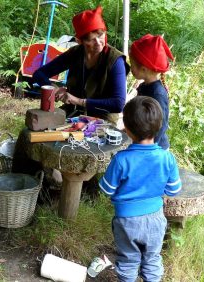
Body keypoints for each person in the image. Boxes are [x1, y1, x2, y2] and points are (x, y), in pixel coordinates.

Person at [98, 96, 182, 282]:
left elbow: (106, 189)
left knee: (128, 261)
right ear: (159, 126)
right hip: (155, 217)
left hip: (127, 220)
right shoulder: (167, 158)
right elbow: (174, 189)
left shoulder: (121, 159)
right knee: (152, 260)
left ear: (126, 129)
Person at [33, 6, 129, 124]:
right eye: (91, 39)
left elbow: (118, 104)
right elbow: (39, 74)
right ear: (80, 41)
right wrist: (55, 89)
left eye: (100, 35)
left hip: (102, 121)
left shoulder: (115, 60)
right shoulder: (75, 53)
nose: (98, 43)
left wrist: (79, 101)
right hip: (73, 114)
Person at [129, 34, 174, 150]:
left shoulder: (157, 93)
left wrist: (150, 148)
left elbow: (162, 125)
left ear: (144, 69)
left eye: (132, 65)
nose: (130, 68)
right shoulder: (145, 86)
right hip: (142, 143)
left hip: (156, 149)